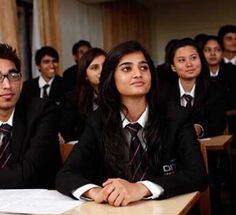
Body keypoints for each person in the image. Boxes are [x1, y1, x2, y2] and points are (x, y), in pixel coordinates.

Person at [56, 40, 207, 206]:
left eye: (143, 67)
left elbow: (197, 174)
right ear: (111, 77)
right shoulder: (97, 120)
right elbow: (66, 174)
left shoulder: (177, 116)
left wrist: (141, 188)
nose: (138, 74)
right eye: (127, 68)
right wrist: (97, 192)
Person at [0, 43, 61, 188]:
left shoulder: (42, 111)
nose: (7, 85)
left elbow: (28, 174)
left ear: (21, 81)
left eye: (13, 76)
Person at [162, 37, 226, 138]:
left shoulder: (214, 90)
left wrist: (199, 129)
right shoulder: (163, 93)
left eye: (193, 58)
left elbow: (218, 123)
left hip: (209, 150)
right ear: (173, 67)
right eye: (182, 60)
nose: (189, 64)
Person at [59, 48, 107, 142]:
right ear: (85, 75)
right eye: (94, 68)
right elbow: (67, 132)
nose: (102, 71)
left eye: (105, 66)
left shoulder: (121, 94)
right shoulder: (74, 97)